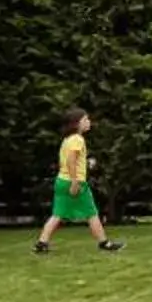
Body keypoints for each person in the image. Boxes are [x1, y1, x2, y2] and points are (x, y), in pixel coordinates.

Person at [36, 108, 123, 254]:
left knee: (58, 214)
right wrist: (75, 182)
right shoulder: (77, 139)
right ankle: (104, 243)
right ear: (76, 124)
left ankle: (41, 243)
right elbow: (71, 160)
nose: (89, 122)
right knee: (91, 213)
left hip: (62, 181)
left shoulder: (67, 139)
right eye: (85, 120)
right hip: (74, 182)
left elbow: (67, 160)